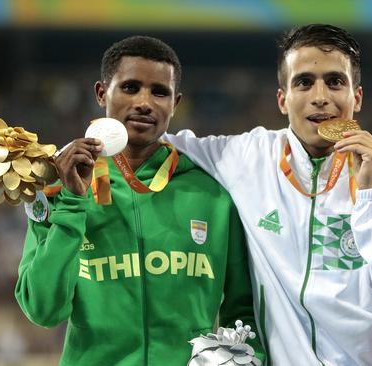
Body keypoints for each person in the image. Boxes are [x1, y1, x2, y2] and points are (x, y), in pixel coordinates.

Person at [164, 24, 372, 365]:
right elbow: (155, 142)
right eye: (304, 82)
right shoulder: (246, 158)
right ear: (283, 99)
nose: (320, 96)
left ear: (356, 97)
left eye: (335, 81)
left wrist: (371, 192)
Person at [15, 36, 263, 366]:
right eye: (130, 87)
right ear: (102, 93)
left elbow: (243, 314)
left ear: (175, 103)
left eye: (159, 92)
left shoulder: (214, 197)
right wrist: (75, 203)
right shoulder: (60, 190)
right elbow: (43, 310)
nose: (144, 102)